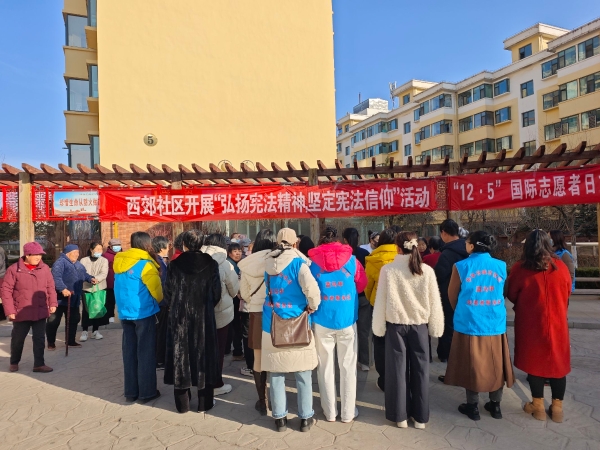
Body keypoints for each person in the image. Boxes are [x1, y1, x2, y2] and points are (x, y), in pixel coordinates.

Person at [372, 231, 444, 429]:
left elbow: (381, 301)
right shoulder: (426, 270)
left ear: (397, 248)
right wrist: (436, 326)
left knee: (396, 371)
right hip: (419, 327)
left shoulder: (388, 270)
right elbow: (435, 302)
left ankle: (400, 416)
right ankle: (420, 417)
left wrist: (378, 326)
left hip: (396, 326)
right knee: (421, 371)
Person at [444, 231, 515, 421]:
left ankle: (472, 406)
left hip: (469, 322)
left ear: (472, 245)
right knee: (496, 363)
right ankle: (496, 405)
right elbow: (503, 292)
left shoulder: (461, 266)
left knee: (472, 365)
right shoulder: (501, 266)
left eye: (467, 242)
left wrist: (462, 311)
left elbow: (452, 295)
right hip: (494, 322)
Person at [506, 229, 571, 423]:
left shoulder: (520, 268)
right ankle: (557, 408)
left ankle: (538, 406)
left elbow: (512, 293)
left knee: (535, 363)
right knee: (558, 363)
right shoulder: (560, 266)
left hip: (531, 323)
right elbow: (568, 291)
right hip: (558, 322)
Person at [262, 228, 321, 432]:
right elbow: (312, 291)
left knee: (276, 373)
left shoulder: (268, 264)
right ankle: (305, 418)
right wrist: (313, 306)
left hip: (272, 323)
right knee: (303, 372)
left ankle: (280, 419)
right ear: (295, 243)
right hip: (298, 323)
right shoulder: (299, 264)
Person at [309, 226, 367, 423]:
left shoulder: (312, 263)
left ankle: (330, 412)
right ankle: (348, 413)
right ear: (338, 240)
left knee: (325, 367)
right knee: (348, 366)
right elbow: (362, 285)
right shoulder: (352, 260)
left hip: (322, 319)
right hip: (346, 319)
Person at [164, 230, 222, 413]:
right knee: (204, 357)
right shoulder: (211, 264)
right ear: (202, 243)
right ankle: (205, 404)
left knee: (181, 357)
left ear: (184, 244)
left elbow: (168, 293)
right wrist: (205, 306)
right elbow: (216, 293)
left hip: (180, 318)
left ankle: (183, 405)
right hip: (204, 318)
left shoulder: (174, 265)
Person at [114, 232, 163, 403]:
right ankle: (147, 392)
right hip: (143, 312)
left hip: (125, 312)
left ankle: (131, 392)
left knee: (129, 352)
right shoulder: (146, 264)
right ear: (147, 244)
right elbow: (157, 292)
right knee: (146, 352)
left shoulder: (120, 262)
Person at [238, 228, 278, 416]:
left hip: (255, 313)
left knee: (258, 359)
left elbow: (245, 294)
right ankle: (278, 401)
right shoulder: (279, 259)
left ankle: (262, 401)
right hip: (277, 313)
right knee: (277, 356)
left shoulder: (247, 263)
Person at [3, 242, 57, 373]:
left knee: (39, 338)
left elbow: (50, 287)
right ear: (27, 255)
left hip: (40, 309)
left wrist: (53, 303)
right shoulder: (14, 269)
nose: (39, 257)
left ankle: (39, 364)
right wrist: (10, 310)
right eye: (35, 254)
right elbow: (6, 291)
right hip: (21, 311)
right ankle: (14, 362)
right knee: (18, 339)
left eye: (40, 254)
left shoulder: (45, 268)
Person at [202, 234, 240, 396]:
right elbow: (234, 290)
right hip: (220, 314)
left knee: (203, 350)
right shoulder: (224, 264)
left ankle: (202, 383)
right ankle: (216, 384)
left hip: (199, 314)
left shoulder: (197, 260)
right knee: (218, 350)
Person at [364, 228, 398, 391]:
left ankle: (384, 379)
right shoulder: (404, 257)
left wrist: (372, 299)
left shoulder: (373, 259)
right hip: (399, 306)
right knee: (398, 341)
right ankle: (399, 376)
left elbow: (368, 286)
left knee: (379, 341)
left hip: (378, 305)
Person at [47, 244, 96, 350]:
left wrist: (90, 278)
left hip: (74, 298)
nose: (77, 255)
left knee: (74, 319)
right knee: (54, 321)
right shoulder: (60, 263)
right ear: (68, 253)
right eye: (75, 252)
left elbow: (84, 274)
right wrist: (62, 289)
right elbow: (56, 277)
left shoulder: (78, 264)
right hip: (60, 299)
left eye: (78, 252)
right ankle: (51, 342)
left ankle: (70, 341)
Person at [435, 219, 468, 367]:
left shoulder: (447, 254)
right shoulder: (468, 249)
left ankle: (446, 354)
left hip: (448, 296)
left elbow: (439, 275)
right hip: (466, 295)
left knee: (448, 326)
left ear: (443, 233)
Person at [342, 227, 371, 372]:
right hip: (364, 297)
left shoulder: (343, 256)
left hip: (347, 298)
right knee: (363, 331)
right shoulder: (365, 254)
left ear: (344, 240)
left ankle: (349, 361)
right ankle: (364, 362)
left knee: (347, 331)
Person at [80, 242, 109, 342]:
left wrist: (96, 279)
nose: (99, 251)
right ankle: (84, 331)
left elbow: (104, 273)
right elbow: (81, 273)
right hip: (87, 288)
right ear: (91, 250)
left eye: (101, 249)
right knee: (86, 310)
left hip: (99, 288)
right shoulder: (84, 260)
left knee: (97, 308)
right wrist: (90, 279)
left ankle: (95, 331)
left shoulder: (104, 260)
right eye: (97, 249)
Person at [226, 242, 246, 366]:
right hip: (233, 299)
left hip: (236, 299)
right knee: (236, 326)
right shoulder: (230, 265)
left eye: (239, 251)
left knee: (235, 326)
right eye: (235, 251)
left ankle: (235, 350)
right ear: (229, 253)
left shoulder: (239, 264)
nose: (238, 253)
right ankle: (237, 351)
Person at [152, 235, 170, 370]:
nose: (169, 249)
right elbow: (164, 284)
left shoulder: (157, 261)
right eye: (167, 246)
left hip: (158, 302)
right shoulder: (159, 263)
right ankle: (159, 359)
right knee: (160, 331)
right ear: (162, 248)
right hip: (161, 303)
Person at [550, 230, 576, 295]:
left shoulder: (564, 254)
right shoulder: (550, 253)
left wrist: (567, 288)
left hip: (562, 290)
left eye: (549, 237)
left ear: (555, 239)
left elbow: (571, 273)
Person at [102, 238, 121, 323]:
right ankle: (110, 315)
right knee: (110, 300)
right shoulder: (105, 256)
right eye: (115, 245)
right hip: (110, 281)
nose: (117, 247)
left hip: (121, 281)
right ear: (110, 246)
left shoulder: (123, 254)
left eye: (118, 245)